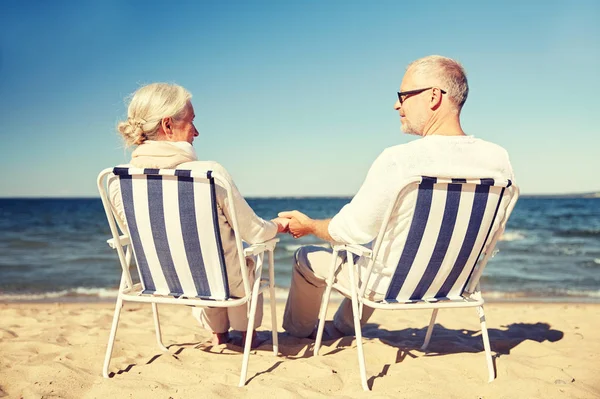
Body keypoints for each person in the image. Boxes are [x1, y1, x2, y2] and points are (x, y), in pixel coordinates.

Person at [279, 55, 516, 338]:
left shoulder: (400, 159)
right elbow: (494, 230)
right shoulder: (497, 159)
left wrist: (309, 226)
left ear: (433, 97)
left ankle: (297, 333)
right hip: (453, 285)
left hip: (389, 286)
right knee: (387, 247)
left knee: (307, 258)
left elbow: (350, 230)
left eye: (403, 96)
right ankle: (343, 326)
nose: (396, 105)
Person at [109, 83, 289, 346]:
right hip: (223, 286)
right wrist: (279, 225)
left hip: (166, 283)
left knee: (199, 255)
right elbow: (255, 232)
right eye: (192, 122)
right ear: (168, 126)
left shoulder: (117, 182)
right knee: (239, 260)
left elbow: (139, 235)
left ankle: (219, 334)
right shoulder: (207, 175)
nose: (197, 131)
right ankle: (245, 332)